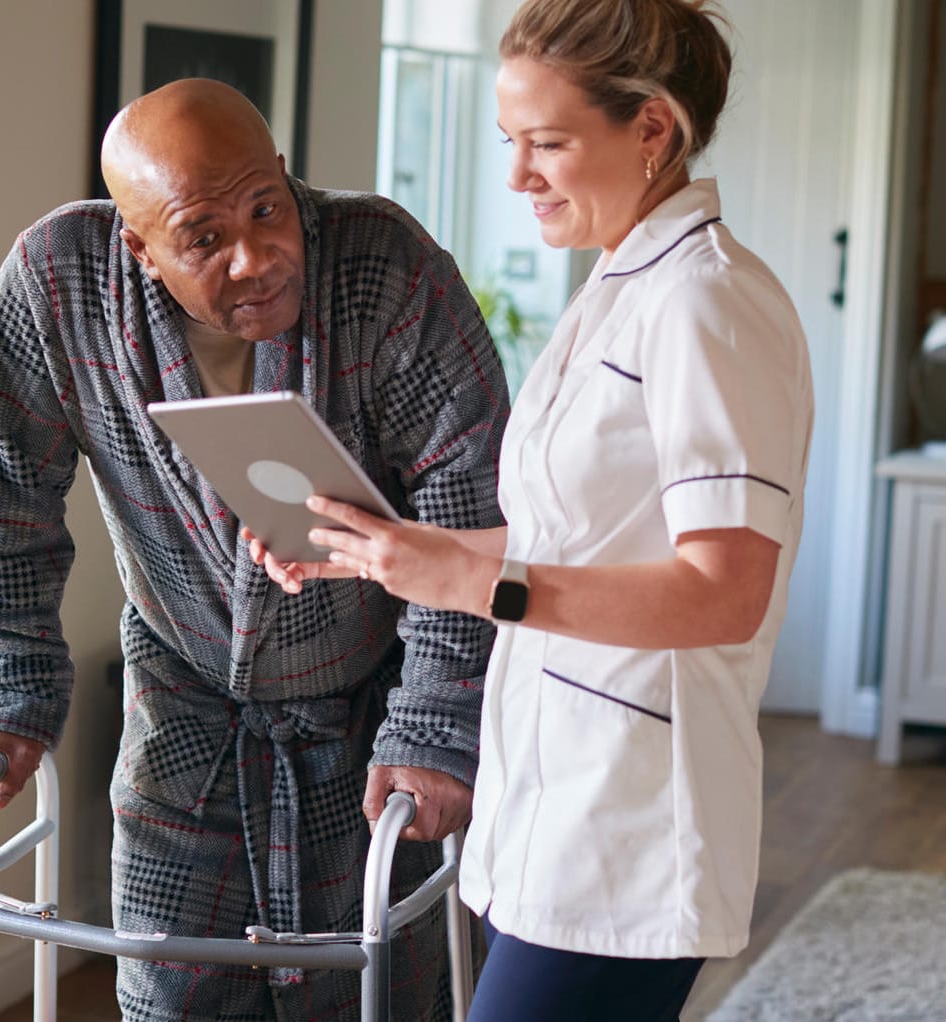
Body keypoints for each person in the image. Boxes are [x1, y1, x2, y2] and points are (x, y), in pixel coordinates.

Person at [250, 1, 813, 1019]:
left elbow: (726, 591)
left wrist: (469, 579)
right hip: (552, 799)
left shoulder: (706, 304)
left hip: (631, 819)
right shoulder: (616, 289)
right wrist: (389, 551)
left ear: (651, 128)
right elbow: (579, 538)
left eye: (547, 143)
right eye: (510, 142)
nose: (517, 175)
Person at [0, 79, 509, 1021]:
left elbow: (467, 503)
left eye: (267, 207)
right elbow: (4, 496)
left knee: (378, 991)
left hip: (373, 710)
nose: (255, 256)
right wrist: (10, 694)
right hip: (182, 700)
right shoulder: (58, 283)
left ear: (287, 177)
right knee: (169, 991)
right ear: (139, 248)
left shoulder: (386, 267)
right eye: (204, 238)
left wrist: (437, 726)